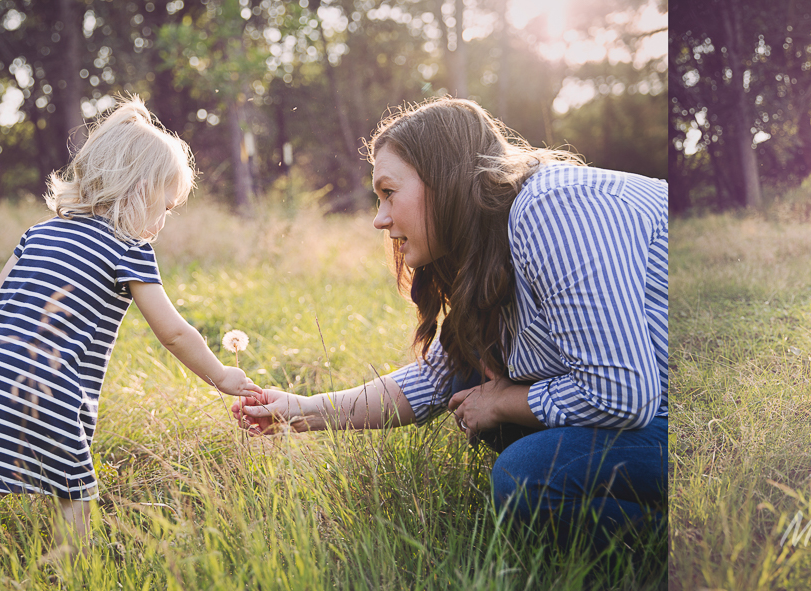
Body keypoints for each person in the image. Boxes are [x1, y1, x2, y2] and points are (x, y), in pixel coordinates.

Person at [232, 97, 668, 548]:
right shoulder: (494, 237)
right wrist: (301, 410)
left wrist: (501, 402)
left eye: (388, 193)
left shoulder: (551, 208)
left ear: (443, 180)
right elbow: (437, 377)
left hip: (681, 419)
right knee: (484, 373)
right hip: (644, 409)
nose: (380, 219)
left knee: (526, 476)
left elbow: (622, 393)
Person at [0, 97, 262, 555]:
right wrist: (222, 376)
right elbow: (174, 332)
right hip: (51, 386)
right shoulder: (129, 248)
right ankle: (71, 571)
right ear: (139, 190)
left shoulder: (39, 232)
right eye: (165, 206)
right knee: (74, 498)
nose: (164, 220)